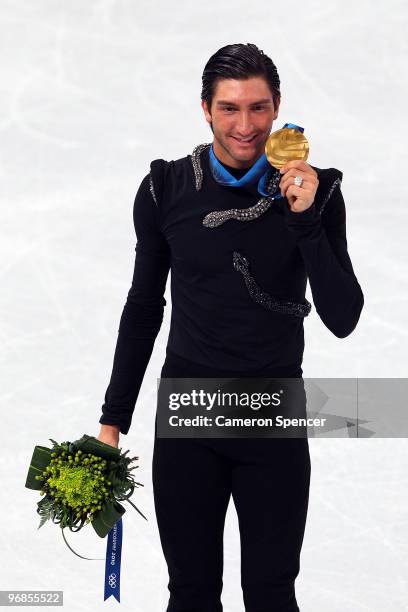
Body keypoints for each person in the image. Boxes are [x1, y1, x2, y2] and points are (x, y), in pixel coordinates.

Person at [97, 43, 364, 612]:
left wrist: (307, 222)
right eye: (229, 109)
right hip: (188, 417)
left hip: (272, 417)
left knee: (270, 594)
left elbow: (343, 318)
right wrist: (112, 420)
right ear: (205, 109)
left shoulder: (318, 191)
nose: (246, 126)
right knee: (191, 594)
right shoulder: (165, 188)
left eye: (259, 108)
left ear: (279, 108)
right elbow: (145, 306)